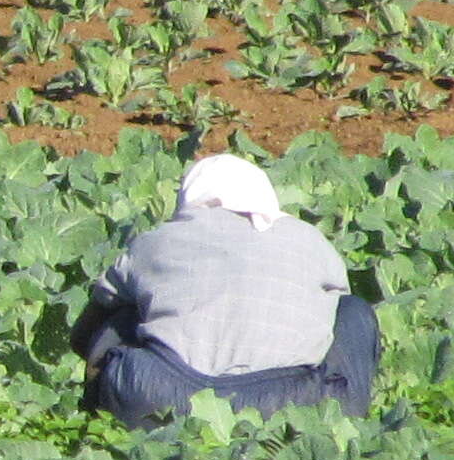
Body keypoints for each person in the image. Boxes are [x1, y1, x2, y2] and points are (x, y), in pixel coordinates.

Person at [70, 152, 379, 430]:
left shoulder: (157, 240)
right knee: (350, 311)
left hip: (162, 399)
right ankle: (348, 413)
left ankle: (99, 419)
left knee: (122, 312)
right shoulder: (311, 241)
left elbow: (88, 328)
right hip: (290, 405)